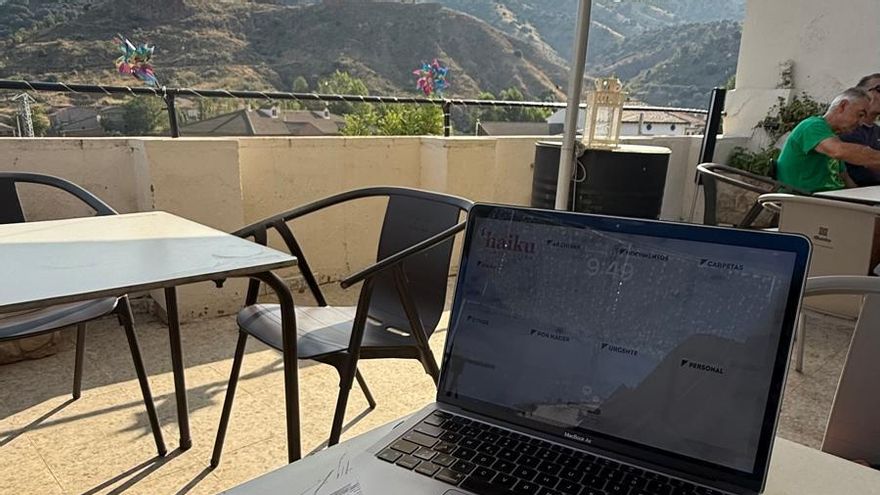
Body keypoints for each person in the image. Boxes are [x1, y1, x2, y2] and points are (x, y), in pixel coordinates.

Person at [776, 87, 880, 193]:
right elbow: (838, 150)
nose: (861, 122)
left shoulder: (832, 137)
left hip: (828, 201)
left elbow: (845, 179)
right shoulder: (812, 126)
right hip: (804, 202)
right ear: (843, 106)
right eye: (860, 115)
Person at [840, 73, 880, 186]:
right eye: (879, 89)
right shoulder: (844, 128)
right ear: (861, 93)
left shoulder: (877, 131)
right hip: (852, 196)